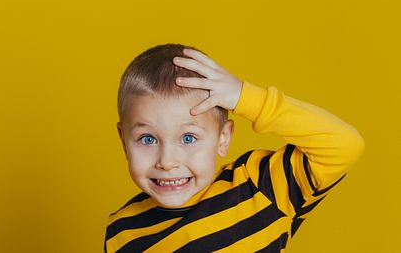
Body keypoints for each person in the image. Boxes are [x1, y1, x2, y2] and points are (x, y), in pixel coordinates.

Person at [104, 43, 365, 252]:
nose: (167, 161)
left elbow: (343, 144)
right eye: (148, 139)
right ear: (124, 142)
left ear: (223, 139)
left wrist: (244, 97)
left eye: (188, 138)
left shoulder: (259, 185)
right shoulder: (122, 231)